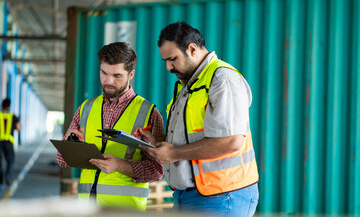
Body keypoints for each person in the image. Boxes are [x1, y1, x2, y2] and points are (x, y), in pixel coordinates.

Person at [136, 21, 259, 217]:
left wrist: (174, 153)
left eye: (172, 59)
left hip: (222, 194)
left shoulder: (222, 79)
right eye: (165, 61)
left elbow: (231, 140)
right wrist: (158, 142)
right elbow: (193, 135)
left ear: (192, 49)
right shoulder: (189, 83)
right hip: (191, 195)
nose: (168, 67)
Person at [56, 42, 164, 211]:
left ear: (131, 74)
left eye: (117, 76)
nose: (108, 81)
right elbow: (61, 160)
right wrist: (71, 146)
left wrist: (120, 166)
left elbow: (156, 170)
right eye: (104, 73)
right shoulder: (86, 108)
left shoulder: (148, 113)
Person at [0, 98, 21, 189]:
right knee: (11, 160)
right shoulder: (13, 116)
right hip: (8, 143)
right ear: (9, 106)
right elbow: (18, 128)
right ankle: (8, 177)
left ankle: (0, 182)